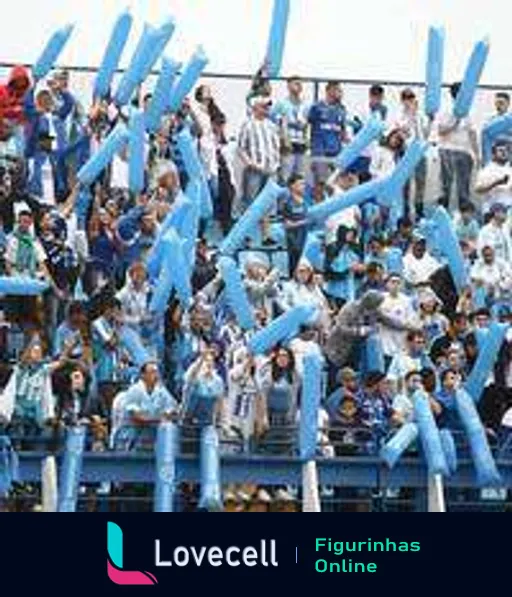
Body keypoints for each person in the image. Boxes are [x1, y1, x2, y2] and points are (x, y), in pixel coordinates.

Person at [112, 361, 177, 452]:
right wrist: (161, 418)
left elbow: (173, 411)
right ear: (143, 375)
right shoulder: (135, 390)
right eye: (152, 372)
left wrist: (167, 415)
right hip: (129, 435)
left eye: (156, 372)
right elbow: (138, 417)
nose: (156, 375)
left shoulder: (161, 390)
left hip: (149, 435)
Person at [437, 82, 479, 210]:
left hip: (464, 152)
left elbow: (472, 133)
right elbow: (440, 131)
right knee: (445, 185)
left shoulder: (468, 110)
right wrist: (455, 122)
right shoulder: (446, 109)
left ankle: (464, 217)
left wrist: (477, 154)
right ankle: (442, 213)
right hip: (447, 150)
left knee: (464, 187)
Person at [392, 88, 431, 218]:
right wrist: (410, 116)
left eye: (411, 98)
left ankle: (419, 210)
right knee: (406, 184)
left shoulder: (421, 115)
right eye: (406, 98)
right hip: (406, 152)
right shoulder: (399, 116)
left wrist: (417, 116)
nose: (409, 101)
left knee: (421, 183)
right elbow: (403, 132)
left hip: (420, 152)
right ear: (402, 101)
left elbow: (425, 133)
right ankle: (406, 211)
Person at [237, 96, 280, 212]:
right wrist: (250, 163)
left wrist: (276, 164)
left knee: (269, 201)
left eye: (267, 107)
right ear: (255, 107)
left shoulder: (272, 125)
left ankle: (267, 226)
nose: (266, 109)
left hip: (271, 169)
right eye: (263, 106)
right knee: (252, 201)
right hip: (254, 170)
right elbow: (241, 148)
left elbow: (276, 146)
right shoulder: (247, 124)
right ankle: (251, 227)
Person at [308, 81, 347, 184]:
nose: (340, 93)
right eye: (338, 90)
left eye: (341, 91)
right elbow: (307, 125)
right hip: (320, 152)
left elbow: (343, 130)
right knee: (320, 183)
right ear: (329, 91)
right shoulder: (316, 107)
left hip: (336, 152)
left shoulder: (342, 109)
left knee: (335, 182)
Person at [273, 76, 310, 181]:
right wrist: (283, 139)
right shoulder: (281, 104)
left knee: (299, 176)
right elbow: (276, 123)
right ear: (288, 86)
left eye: (300, 84)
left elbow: (307, 124)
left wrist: (307, 139)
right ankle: (284, 196)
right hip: (287, 144)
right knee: (286, 176)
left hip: (301, 144)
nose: (299, 86)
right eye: (296, 83)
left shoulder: (305, 105)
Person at [280, 174, 309, 276]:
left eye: (304, 184)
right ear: (292, 186)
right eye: (301, 184)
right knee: (294, 267)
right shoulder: (287, 202)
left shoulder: (305, 201)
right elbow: (286, 225)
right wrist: (303, 222)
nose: (304, 186)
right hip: (293, 241)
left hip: (304, 238)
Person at [474, 141, 512, 215]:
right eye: (500, 150)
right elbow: (478, 189)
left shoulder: (510, 169)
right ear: (493, 154)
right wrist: (495, 183)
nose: (504, 153)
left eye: (506, 150)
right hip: (491, 210)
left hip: (509, 209)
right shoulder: (487, 170)